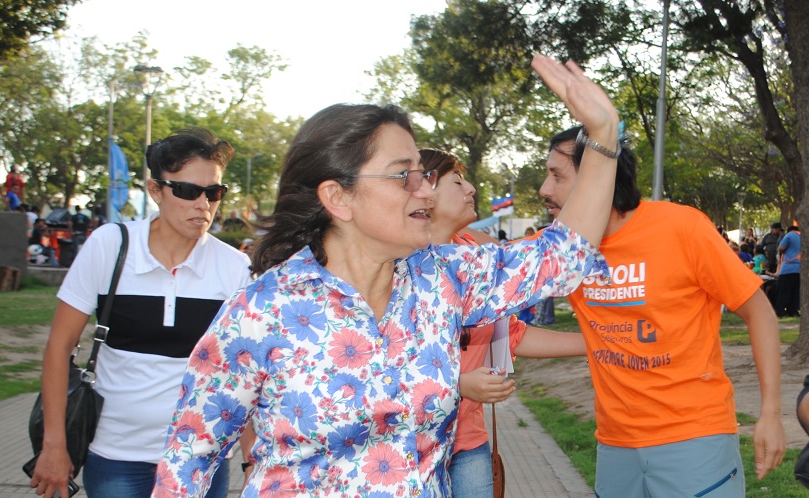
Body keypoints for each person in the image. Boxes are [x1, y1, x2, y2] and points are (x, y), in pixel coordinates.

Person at [151, 55, 621, 497]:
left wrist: (602, 135)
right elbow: (187, 459)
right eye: (404, 176)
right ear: (339, 198)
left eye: (424, 175)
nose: (426, 192)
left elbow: (563, 256)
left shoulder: (444, 280)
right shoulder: (262, 309)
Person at [534, 124, 786, 497]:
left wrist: (770, 412)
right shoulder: (563, 248)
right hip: (615, 445)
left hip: (694, 438)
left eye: (557, 176)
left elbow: (759, 312)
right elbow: (484, 265)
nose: (544, 189)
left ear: (597, 178)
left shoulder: (682, 227)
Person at [30, 128, 253, 498]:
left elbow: (242, 370)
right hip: (115, 455)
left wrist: (251, 456)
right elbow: (59, 346)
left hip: (200, 457)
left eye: (214, 192)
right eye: (187, 190)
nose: (203, 204)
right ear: (155, 190)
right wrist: (54, 445)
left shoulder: (234, 267)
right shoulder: (110, 246)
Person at [420, 148, 586, 497]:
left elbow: (510, 335)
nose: (471, 189)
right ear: (424, 191)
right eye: (457, 182)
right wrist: (458, 385)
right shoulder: (395, 264)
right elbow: (379, 369)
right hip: (412, 446)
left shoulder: (473, 255)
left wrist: (600, 342)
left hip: (467, 442)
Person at [775, 225, 800, 317]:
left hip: (788, 268)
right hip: (799, 268)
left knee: (783, 292)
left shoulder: (789, 235)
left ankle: (780, 312)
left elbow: (781, 247)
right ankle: (793, 312)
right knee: (795, 292)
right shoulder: (802, 237)